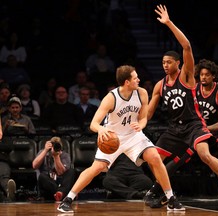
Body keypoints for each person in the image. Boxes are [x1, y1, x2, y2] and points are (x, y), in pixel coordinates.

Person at [145, 4, 218, 207]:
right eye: (163, 62)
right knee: (153, 158)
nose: (165, 65)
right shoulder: (159, 85)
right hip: (174, 129)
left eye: (169, 62)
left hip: (193, 124)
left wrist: (168, 23)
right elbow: (149, 111)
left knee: (205, 155)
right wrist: (139, 123)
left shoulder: (187, 75)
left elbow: (187, 47)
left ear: (177, 63)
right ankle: (166, 193)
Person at [57, 65, 185, 213]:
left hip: (133, 135)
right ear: (126, 82)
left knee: (155, 158)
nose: (139, 79)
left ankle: (171, 199)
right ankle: (67, 199)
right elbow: (93, 124)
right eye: (135, 77)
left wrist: (140, 125)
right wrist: (102, 129)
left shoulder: (142, 93)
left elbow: (143, 118)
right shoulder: (111, 98)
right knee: (97, 168)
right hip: (113, 137)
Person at [195, 59, 218, 195]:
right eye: (201, 74)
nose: (203, 77)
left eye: (207, 75)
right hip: (198, 131)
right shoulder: (194, 89)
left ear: (213, 76)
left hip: (216, 130)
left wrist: (206, 128)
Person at [32, 136, 75, 201]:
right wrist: (45, 150)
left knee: (71, 171)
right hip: (49, 186)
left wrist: (56, 156)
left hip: (61, 183)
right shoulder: (43, 152)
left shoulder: (65, 155)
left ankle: (60, 193)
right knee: (42, 176)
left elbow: (61, 172)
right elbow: (34, 166)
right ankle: (61, 193)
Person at [0, 117, 16, 201]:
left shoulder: (5, 138)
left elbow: (9, 147)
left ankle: (9, 191)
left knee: (4, 176)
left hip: (2, 162)